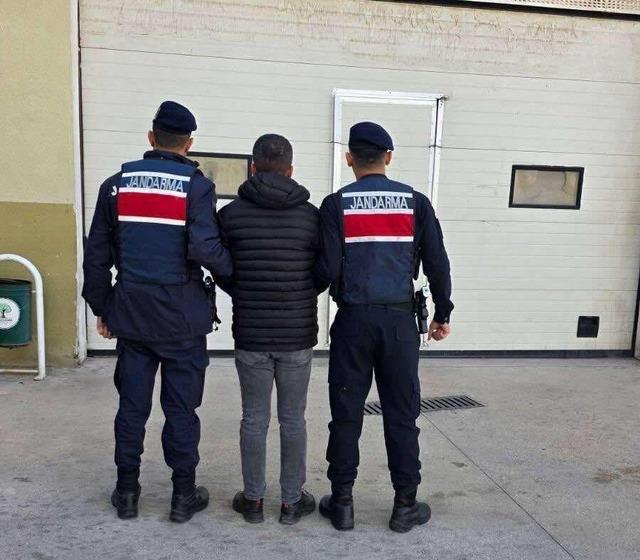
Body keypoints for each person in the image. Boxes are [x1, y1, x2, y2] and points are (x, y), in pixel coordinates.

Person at [82, 101, 232, 523]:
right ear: (189, 144)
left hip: (132, 317)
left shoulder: (116, 185)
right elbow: (205, 249)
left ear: (151, 137)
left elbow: (96, 257)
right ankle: (183, 496)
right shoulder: (196, 187)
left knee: (132, 407)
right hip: (182, 319)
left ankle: (127, 492)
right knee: (181, 408)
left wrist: (103, 307)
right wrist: (239, 278)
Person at [314, 121, 454, 533]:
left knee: (345, 413)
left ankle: (342, 504)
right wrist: (442, 313)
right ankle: (404, 506)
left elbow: (326, 268)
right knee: (401, 414)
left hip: (353, 322)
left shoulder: (335, 204)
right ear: (389, 157)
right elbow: (438, 263)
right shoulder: (416, 203)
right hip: (398, 324)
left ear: (349, 159)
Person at [217, 134, 320, 525]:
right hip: (296, 333)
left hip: (251, 333)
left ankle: (254, 501)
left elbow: (220, 264)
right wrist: (303, 291)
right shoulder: (311, 216)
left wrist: (242, 288)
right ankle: (291, 503)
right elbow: (326, 268)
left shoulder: (230, 215)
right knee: (293, 420)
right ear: (290, 170)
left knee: (253, 418)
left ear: (253, 167)